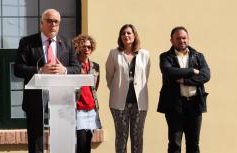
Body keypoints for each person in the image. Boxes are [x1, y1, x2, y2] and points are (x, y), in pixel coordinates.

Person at [14, 9, 80, 153]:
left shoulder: (67, 43)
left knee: (62, 140)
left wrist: (65, 70)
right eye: (49, 21)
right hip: (35, 98)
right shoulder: (27, 42)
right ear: (41, 23)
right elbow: (18, 69)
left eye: (56, 22)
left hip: (62, 100)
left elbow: (77, 68)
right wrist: (39, 70)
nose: (53, 24)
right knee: (36, 141)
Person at [158, 26, 210, 153]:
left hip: (195, 104)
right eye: (178, 38)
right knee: (175, 144)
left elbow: (206, 75)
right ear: (171, 40)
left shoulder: (198, 56)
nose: (182, 41)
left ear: (188, 39)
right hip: (175, 105)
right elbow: (169, 72)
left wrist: (185, 81)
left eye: (184, 38)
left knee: (194, 143)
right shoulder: (165, 57)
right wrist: (192, 71)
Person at [105, 24, 150, 153]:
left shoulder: (144, 54)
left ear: (134, 35)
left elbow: (145, 76)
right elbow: (110, 77)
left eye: (129, 33)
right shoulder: (114, 54)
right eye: (123, 33)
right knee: (121, 137)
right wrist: (119, 88)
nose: (126, 36)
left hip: (139, 103)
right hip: (119, 102)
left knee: (137, 137)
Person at [72, 34, 102, 153]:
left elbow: (95, 87)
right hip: (78, 109)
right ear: (78, 47)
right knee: (81, 143)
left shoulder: (95, 66)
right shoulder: (73, 65)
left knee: (88, 144)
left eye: (89, 47)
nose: (86, 49)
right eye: (83, 46)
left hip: (92, 109)